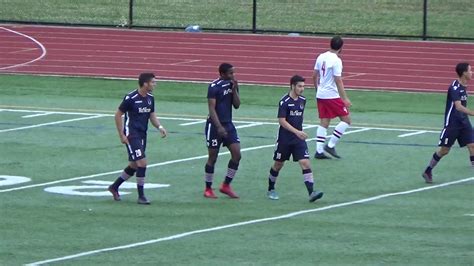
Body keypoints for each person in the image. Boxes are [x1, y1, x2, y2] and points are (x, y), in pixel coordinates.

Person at [108, 73, 167, 204]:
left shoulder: (150, 98)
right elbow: (118, 115)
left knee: (134, 165)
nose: (155, 84)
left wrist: (159, 126)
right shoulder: (131, 98)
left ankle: (114, 187)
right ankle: (141, 196)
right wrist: (121, 135)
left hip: (142, 135)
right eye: (153, 82)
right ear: (145, 84)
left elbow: (152, 115)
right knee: (142, 163)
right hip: (131, 134)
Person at [266, 75, 324, 202]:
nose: (302, 89)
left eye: (303, 86)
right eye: (299, 86)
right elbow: (282, 121)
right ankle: (271, 189)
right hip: (285, 139)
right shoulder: (284, 102)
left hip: (298, 139)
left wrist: (299, 133)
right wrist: (297, 132)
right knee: (278, 164)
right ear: (292, 86)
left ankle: (311, 193)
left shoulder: (302, 100)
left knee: (305, 163)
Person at [422, 62, 473, 183]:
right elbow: (458, 107)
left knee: (472, 145)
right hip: (453, 123)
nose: (472, 72)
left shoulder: (464, 86)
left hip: (463, 122)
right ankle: (428, 170)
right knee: (444, 150)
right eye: (470, 70)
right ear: (464, 73)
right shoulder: (454, 88)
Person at [203, 63, 241, 199]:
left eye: (233, 73)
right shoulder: (214, 87)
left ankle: (226, 185)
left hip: (228, 125)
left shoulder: (232, 84)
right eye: (230, 73)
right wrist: (218, 127)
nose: (233, 75)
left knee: (237, 154)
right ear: (222, 74)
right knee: (213, 157)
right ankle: (207, 188)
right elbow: (211, 109)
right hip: (214, 126)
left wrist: (235, 89)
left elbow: (237, 105)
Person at [313, 36, 352, 159]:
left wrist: (317, 89)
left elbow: (314, 76)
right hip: (331, 95)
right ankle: (330, 145)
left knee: (324, 121)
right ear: (341, 47)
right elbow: (338, 80)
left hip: (321, 94)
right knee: (346, 120)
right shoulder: (336, 60)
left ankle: (319, 151)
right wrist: (344, 98)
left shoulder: (321, 56)